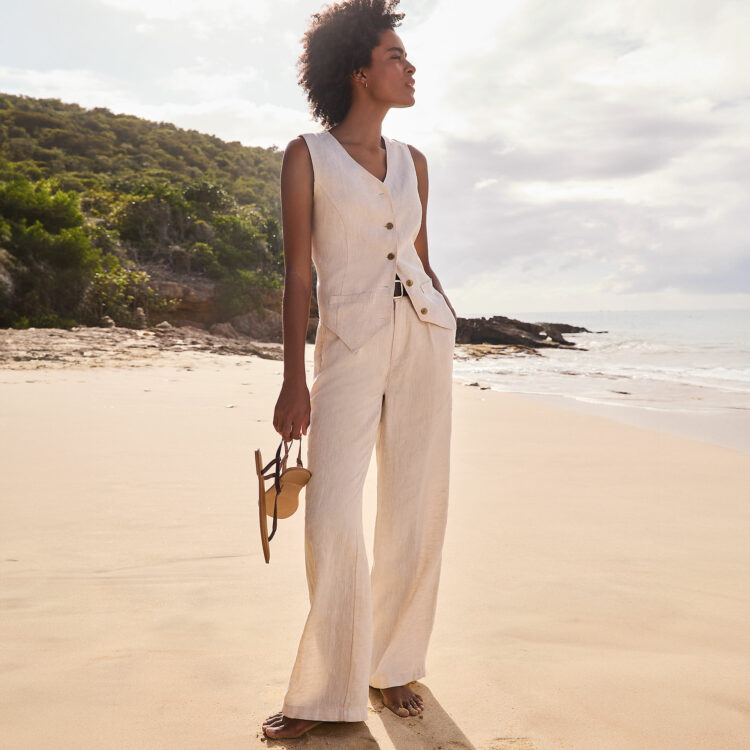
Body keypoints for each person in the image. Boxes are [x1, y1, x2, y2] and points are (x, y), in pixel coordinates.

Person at [262, 0, 458, 740]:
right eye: (396, 56)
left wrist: (446, 321)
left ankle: (393, 664)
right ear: (360, 73)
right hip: (347, 343)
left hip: (423, 338)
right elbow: (298, 276)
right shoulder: (306, 155)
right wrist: (292, 378)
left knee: (416, 502)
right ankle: (326, 690)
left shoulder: (416, 163)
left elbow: (424, 258)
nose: (410, 68)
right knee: (333, 509)